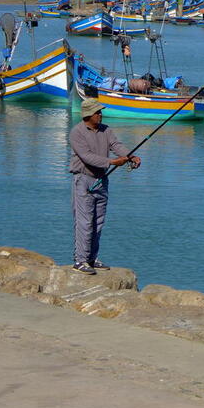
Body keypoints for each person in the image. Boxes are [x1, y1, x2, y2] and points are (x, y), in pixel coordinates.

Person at [69, 98, 141, 275]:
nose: (100, 114)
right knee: (84, 222)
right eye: (97, 112)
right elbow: (87, 157)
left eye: (100, 112)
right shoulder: (76, 133)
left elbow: (116, 145)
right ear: (87, 115)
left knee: (98, 222)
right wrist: (112, 162)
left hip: (101, 181)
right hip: (83, 180)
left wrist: (130, 156)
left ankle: (92, 258)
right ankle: (80, 260)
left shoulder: (106, 130)